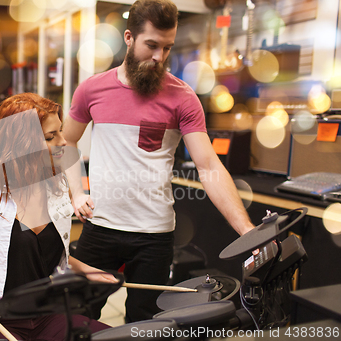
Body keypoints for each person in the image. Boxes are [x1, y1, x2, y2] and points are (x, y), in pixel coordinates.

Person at [63, 0, 255, 323]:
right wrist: (76, 193)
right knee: (78, 319)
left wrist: (247, 231)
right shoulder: (92, 89)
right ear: (128, 38)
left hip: (154, 236)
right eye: (151, 45)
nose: (159, 57)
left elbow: (209, 167)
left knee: (144, 324)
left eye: (167, 48)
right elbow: (66, 141)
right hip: (100, 227)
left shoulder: (183, 98)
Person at [0, 93, 116, 341]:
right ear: (23, 144)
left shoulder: (58, 188)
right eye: (52, 136)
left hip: (49, 314)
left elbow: (46, 257)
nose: (64, 141)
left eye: (60, 132)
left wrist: (86, 270)